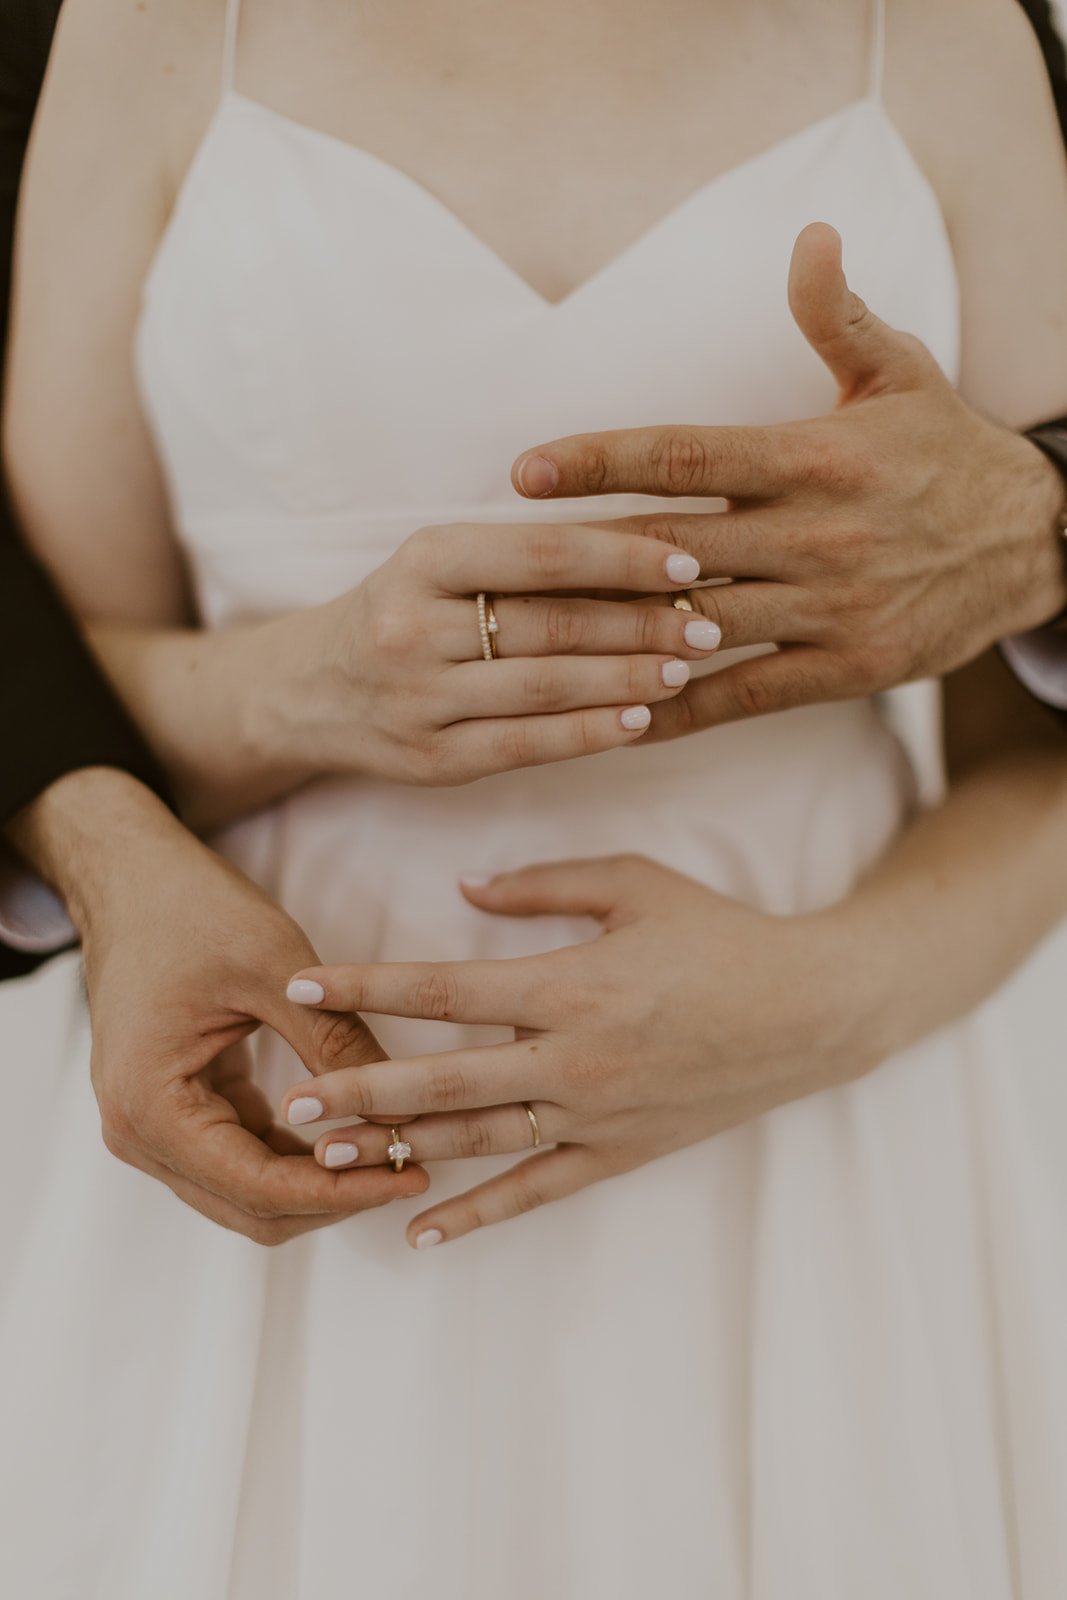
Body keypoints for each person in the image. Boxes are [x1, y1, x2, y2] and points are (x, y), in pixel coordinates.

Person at [3, 0, 1067, 1594]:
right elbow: (54, 683)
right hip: (275, 1091)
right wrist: (290, 702)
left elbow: (1038, 731)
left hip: (830, 1115)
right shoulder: (131, 32)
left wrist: (829, 1001)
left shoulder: (958, 36)